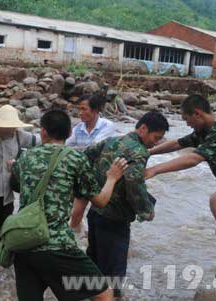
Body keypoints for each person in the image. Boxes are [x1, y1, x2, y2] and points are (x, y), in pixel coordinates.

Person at [11, 109, 128, 301]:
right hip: (57, 245)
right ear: (69, 134)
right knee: (104, 294)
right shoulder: (75, 158)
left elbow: (15, 184)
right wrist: (112, 177)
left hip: (24, 243)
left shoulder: (25, 157)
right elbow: (100, 201)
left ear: (43, 131)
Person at [146, 94, 216, 278]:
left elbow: (194, 158)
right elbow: (178, 144)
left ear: (197, 113)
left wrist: (154, 170)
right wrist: (148, 153)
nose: (187, 124)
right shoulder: (205, 131)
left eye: (187, 119)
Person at [74, 111, 169, 298]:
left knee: (94, 262)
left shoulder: (112, 140)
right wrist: (147, 211)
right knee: (114, 276)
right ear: (143, 128)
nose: (156, 143)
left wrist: (92, 186)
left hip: (95, 211)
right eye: (156, 137)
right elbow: (134, 186)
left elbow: (86, 156)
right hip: (115, 219)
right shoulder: (139, 152)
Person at [66, 93, 116, 229]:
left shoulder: (107, 125)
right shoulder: (78, 129)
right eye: (78, 109)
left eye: (84, 109)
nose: (80, 113)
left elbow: (95, 147)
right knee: (76, 213)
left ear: (95, 110)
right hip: (84, 175)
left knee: (101, 215)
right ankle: (75, 238)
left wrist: (72, 149)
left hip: (102, 177)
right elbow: (65, 145)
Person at [0, 105, 40, 231]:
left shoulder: (19, 135)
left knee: (4, 230)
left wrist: (21, 162)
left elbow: (43, 142)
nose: (11, 129)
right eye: (7, 126)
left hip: (7, 194)